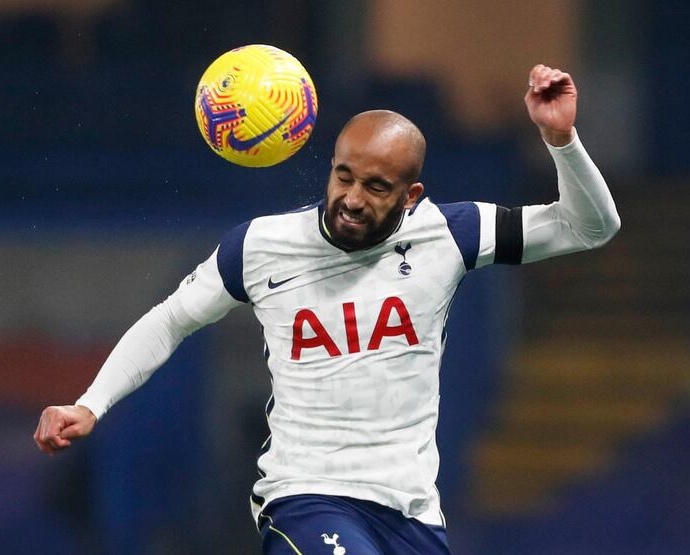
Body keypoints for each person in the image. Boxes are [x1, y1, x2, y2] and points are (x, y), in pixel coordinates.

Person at [34, 64, 620, 554]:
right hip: (305, 496)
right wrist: (90, 403)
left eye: (377, 186)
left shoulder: (450, 233)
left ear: (411, 196)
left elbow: (590, 227)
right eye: (344, 177)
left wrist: (560, 140)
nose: (353, 199)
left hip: (411, 510)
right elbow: (171, 319)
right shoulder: (260, 246)